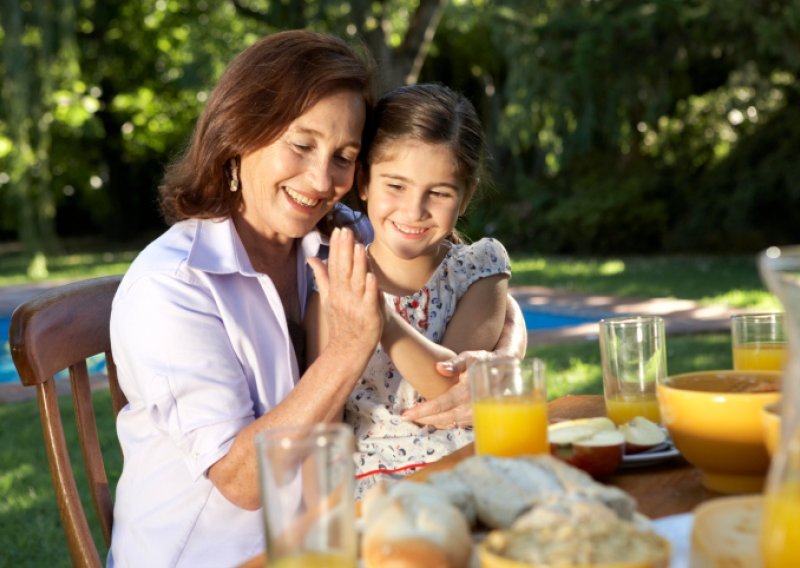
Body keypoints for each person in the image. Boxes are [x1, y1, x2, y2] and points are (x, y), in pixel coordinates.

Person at [108, 30, 526, 567]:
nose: (320, 178)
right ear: (241, 131)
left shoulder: (335, 236)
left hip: (344, 534)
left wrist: (506, 347)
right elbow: (243, 482)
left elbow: (457, 269)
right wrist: (356, 342)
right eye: (301, 146)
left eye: (343, 156)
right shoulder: (171, 288)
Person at [306, 83, 512, 498]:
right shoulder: (333, 284)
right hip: (369, 493)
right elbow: (324, 415)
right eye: (395, 186)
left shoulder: (479, 269)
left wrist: (380, 319)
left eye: (438, 193)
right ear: (363, 183)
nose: (414, 210)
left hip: (466, 474)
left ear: (466, 197)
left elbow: (453, 388)